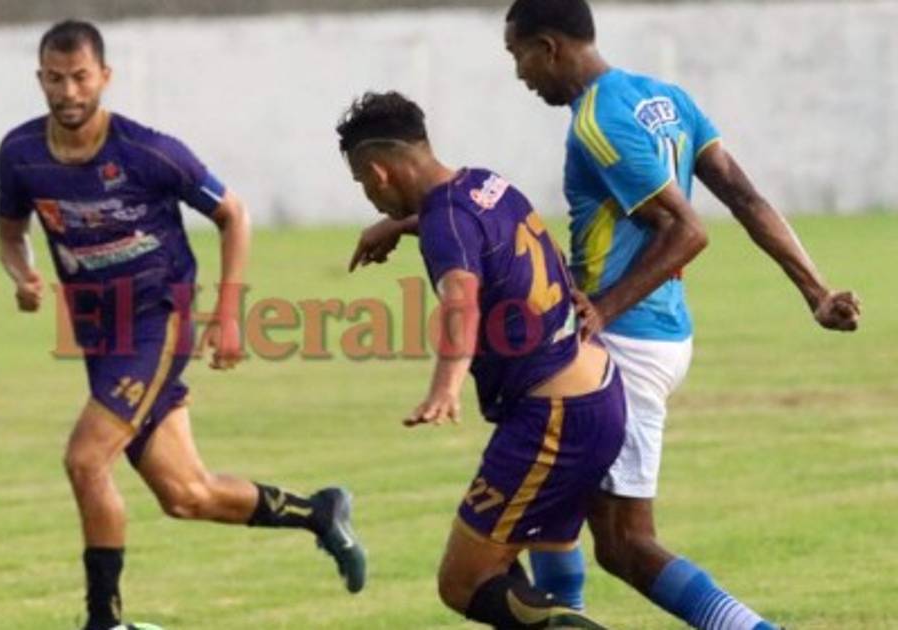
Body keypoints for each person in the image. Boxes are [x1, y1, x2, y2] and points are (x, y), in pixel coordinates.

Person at [350, 1, 861, 627]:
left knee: (623, 543)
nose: (519, 74)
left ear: (549, 47)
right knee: (548, 517)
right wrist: (815, 290)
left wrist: (603, 308)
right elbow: (744, 197)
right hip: (660, 330)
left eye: (518, 56)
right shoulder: (664, 99)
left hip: (622, 338)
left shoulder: (597, 122)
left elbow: (688, 230)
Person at [0, 20, 365, 630]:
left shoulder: (148, 151)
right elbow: (11, 235)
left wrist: (228, 314)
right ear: (40, 79)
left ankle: (105, 622)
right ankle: (320, 513)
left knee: (86, 461)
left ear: (104, 77)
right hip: (100, 338)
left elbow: (233, 213)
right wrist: (22, 275)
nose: (68, 92)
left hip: (157, 322)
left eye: (80, 77)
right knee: (186, 494)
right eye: (55, 79)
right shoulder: (20, 154)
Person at [338, 90, 625, 629]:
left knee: (464, 581)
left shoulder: (445, 222)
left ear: (379, 172)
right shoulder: (483, 184)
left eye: (362, 183)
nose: (369, 196)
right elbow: (472, 229)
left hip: (555, 417)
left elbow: (460, 300)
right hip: (595, 390)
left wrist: (444, 388)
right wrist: (399, 226)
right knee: (524, 555)